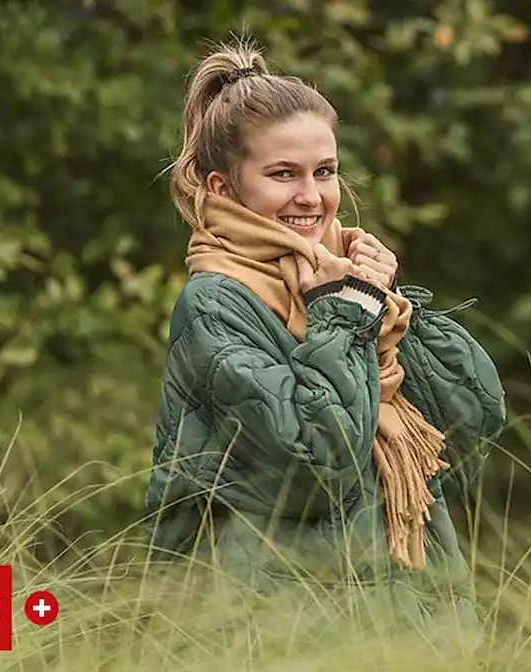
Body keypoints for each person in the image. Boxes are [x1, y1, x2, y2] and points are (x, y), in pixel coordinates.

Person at [141, 40, 507, 636]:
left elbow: (472, 431)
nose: (311, 196)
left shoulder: (344, 287)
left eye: (325, 172)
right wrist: (346, 314)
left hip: (412, 621)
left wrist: (389, 305)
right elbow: (313, 468)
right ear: (224, 186)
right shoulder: (216, 304)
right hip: (272, 629)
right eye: (282, 174)